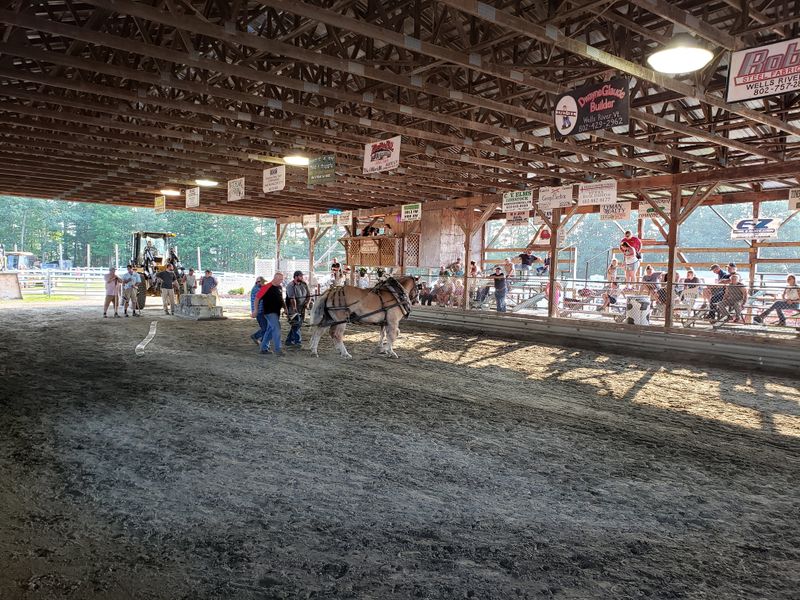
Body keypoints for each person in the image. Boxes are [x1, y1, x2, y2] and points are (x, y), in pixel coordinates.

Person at [257, 272, 286, 355]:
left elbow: (281, 299)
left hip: (277, 312)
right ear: (275, 278)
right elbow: (257, 298)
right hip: (269, 312)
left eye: (282, 279)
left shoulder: (279, 287)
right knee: (277, 328)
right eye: (280, 279)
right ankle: (278, 349)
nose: (281, 281)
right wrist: (255, 310)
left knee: (270, 330)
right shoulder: (266, 287)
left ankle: (263, 348)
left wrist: (285, 308)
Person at [285, 270, 310, 347]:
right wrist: (295, 308)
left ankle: (289, 340)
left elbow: (308, 295)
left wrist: (307, 303)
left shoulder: (304, 284)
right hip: (292, 308)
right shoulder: (290, 286)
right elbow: (292, 299)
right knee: (296, 324)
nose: (302, 277)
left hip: (302, 308)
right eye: (300, 276)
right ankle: (297, 342)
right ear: (296, 277)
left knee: (298, 324)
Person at [249, 276, 267, 345]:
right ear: (258, 282)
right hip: (259, 312)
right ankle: (256, 337)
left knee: (266, 327)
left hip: (260, 311)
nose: (264, 284)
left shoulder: (257, 288)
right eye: (262, 282)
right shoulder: (257, 289)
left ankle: (263, 341)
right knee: (265, 328)